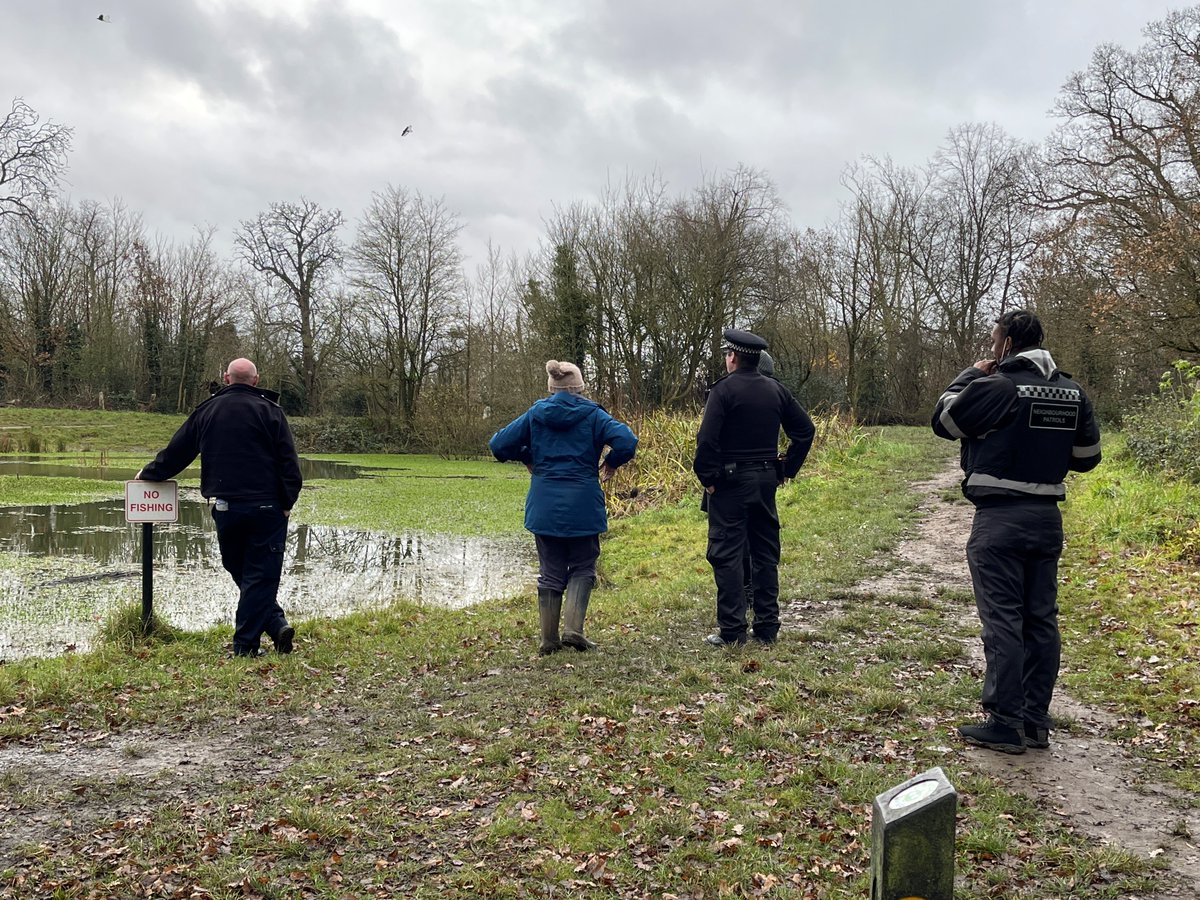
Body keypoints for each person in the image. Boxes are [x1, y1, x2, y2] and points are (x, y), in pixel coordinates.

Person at [932, 310, 1101, 753]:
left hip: (1000, 520)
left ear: (1007, 343)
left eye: (993, 340)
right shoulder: (1072, 391)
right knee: (1041, 621)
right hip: (1047, 520)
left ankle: (1004, 722)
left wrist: (971, 374)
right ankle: (1034, 722)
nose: (991, 348)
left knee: (1003, 620)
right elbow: (1087, 456)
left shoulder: (999, 386)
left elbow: (945, 421)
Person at [137, 358, 303, 658]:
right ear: (256, 380)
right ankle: (252, 641)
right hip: (268, 507)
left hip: (226, 507)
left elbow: (178, 452)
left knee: (240, 568)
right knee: (260, 574)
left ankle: (265, 632)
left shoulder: (206, 411)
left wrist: (149, 474)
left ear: (226, 378)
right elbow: (289, 463)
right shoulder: (272, 412)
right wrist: (287, 502)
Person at [489, 360, 638, 655]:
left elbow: (498, 445)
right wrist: (611, 462)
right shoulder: (593, 415)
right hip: (583, 500)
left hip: (544, 503)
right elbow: (627, 440)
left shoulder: (535, 414)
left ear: (551, 387)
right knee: (583, 563)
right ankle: (573, 630)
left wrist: (526, 455)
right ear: (579, 387)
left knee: (550, 568)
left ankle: (548, 639)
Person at [694, 329, 815, 647]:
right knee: (765, 553)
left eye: (726, 354)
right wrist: (787, 468)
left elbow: (706, 439)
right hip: (765, 480)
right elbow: (805, 430)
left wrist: (708, 479)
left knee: (728, 554)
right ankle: (767, 627)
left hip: (730, 483)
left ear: (733, 357)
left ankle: (732, 630)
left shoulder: (722, 391)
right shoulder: (776, 390)